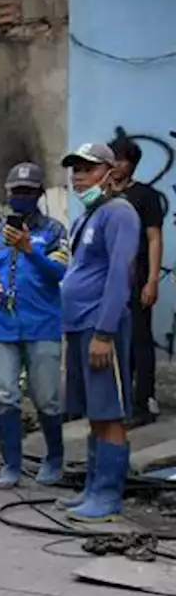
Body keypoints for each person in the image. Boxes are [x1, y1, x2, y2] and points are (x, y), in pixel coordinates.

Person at [56, 142, 140, 522]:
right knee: (94, 411)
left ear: (109, 172)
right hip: (78, 326)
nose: (78, 176)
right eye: (74, 169)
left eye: (87, 169)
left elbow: (120, 275)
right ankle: (92, 487)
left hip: (99, 326)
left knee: (110, 413)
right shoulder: (88, 217)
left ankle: (108, 496)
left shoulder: (119, 213)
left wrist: (104, 332)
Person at [0, 164, 69, 488]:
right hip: (2, 325)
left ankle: (55, 457)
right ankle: (11, 465)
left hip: (42, 324)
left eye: (28, 192)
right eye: (16, 191)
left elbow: (59, 273)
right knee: (2, 394)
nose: (21, 197)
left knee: (47, 398)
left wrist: (30, 249)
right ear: (8, 193)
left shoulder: (55, 231)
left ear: (39, 193)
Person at [109, 138, 163, 429]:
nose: (117, 165)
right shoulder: (101, 196)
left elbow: (154, 238)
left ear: (132, 164)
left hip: (137, 276)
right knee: (114, 342)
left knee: (140, 341)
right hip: (107, 280)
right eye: (113, 159)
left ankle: (143, 403)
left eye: (122, 160)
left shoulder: (145, 196)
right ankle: (120, 402)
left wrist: (152, 280)